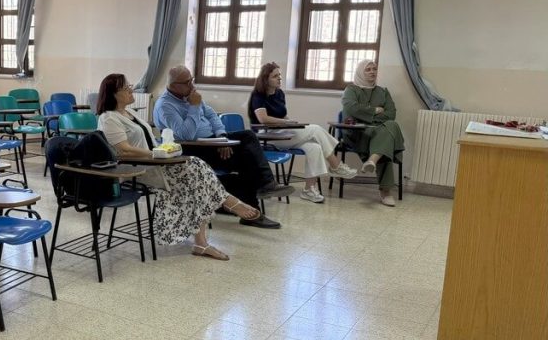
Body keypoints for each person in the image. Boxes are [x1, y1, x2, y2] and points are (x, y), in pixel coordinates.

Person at [96, 73, 264, 261]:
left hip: (156, 162)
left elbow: (149, 141)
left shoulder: (131, 113)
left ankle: (203, 240)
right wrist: (155, 154)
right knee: (196, 172)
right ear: (113, 94)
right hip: (139, 169)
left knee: (197, 170)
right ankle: (228, 205)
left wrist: (165, 149)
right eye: (126, 88)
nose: (131, 89)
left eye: (129, 85)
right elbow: (123, 151)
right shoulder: (108, 118)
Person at [152, 66, 291, 229]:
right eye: (187, 82)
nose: (192, 85)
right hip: (190, 149)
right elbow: (186, 135)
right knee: (247, 151)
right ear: (174, 86)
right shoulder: (165, 106)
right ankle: (260, 193)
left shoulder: (189, 95)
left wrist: (222, 137)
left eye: (192, 80)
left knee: (247, 146)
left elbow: (212, 116)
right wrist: (194, 106)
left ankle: (258, 196)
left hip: (212, 142)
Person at [249, 62, 358, 203]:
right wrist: (286, 123)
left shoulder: (279, 93)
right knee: (315, 129)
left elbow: (282, 116)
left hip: (283, 133)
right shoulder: (258, 95)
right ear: (266, 79)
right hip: (267, 136)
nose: (279, 78)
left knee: (315, 147)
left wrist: (290, 122)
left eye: (279, 75)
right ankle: (336, 165)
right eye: (275, 76)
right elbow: (263, 118)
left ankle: (309, 190)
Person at [341, 60, 405, 207]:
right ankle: (385, 192)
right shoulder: (351, 90)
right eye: (368, 69)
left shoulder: (383, 92)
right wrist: (375, 111)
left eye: (374, 69)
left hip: (378, 131)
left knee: (391, 126)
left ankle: (372, 161)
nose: (372, 72)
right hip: (358, 132)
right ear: (360, 72)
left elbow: (391, 114)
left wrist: (365, 114)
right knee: (386, 139)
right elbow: (351, 109)